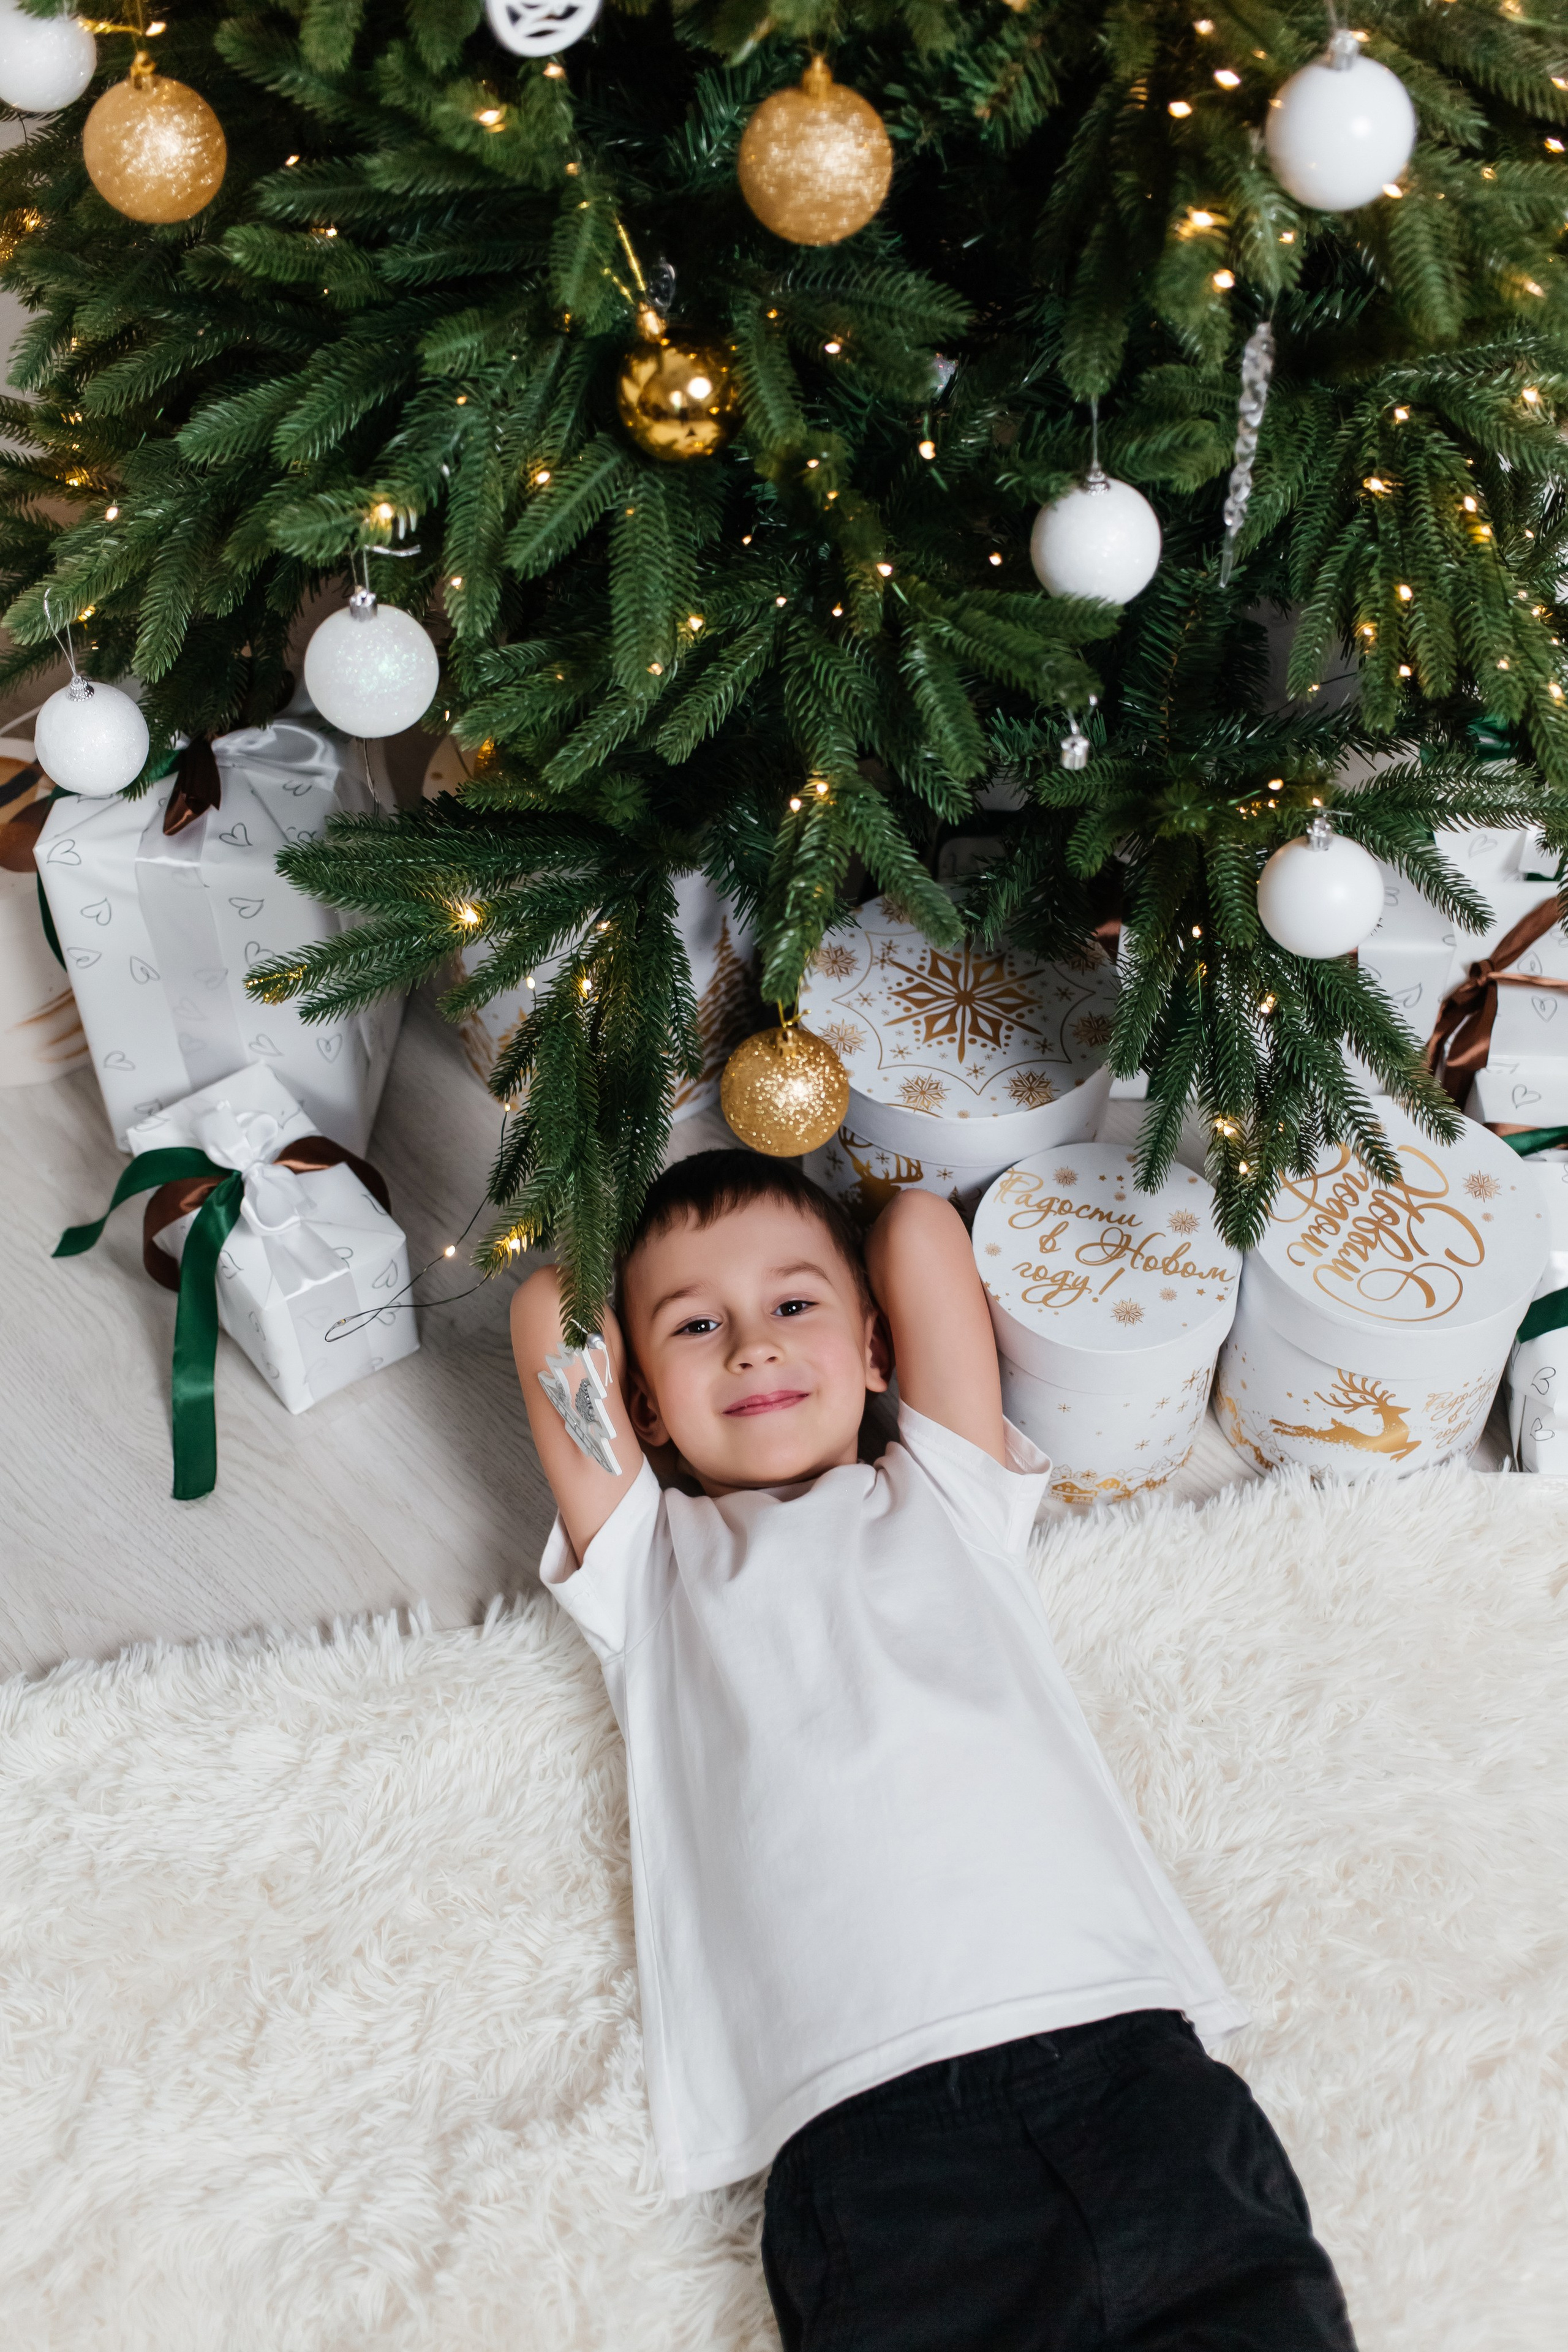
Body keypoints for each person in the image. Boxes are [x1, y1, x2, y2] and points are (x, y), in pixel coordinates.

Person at [511, 1149, 1355, 2352]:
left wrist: (826, 1290)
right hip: (869, 2136)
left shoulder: (945, 1492)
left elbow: (915, 1232)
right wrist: (666, 1295)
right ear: (640, 1405)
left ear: (873, 1354)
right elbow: (548, 1311)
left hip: (1115, 2048)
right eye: (695, 1327)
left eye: (792, 1305)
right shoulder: (648, 1571)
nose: (751, 1345)